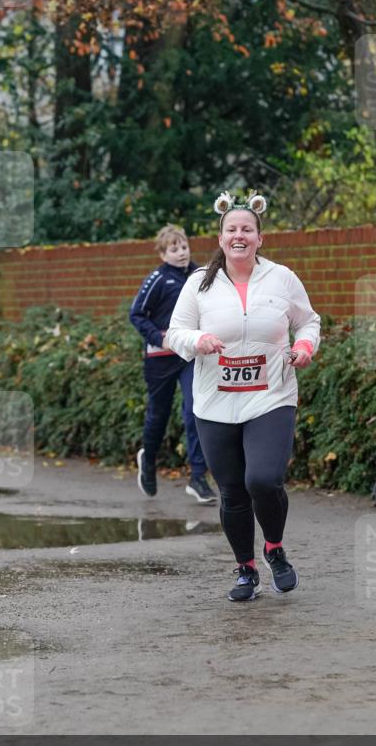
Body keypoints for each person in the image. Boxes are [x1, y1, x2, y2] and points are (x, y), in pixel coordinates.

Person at [166, 191, 321, 601]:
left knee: (264, 480)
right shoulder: (199, 284)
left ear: (259, 238)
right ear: (220, 238)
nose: (239, 236)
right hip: (215, 402)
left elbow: (308, 321)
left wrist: (305, 347)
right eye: (231, 229)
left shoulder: (282, 278)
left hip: (270, 395)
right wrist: (198, 340)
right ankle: (245, 569)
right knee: (233, 489)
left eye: (247, 229)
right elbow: (174, 332)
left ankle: (274, 548)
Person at [130, 224, 216, 505]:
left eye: (184, 247)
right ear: (163, 253)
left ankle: (198, 477)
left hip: (189, 355)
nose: (181, 253)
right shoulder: (157, 278)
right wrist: (159, 338)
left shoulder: (200, 275)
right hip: (160, 358)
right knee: (159, 414)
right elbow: (137, 314)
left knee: (194, 410)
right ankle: (149, 460)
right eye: (174, 249)